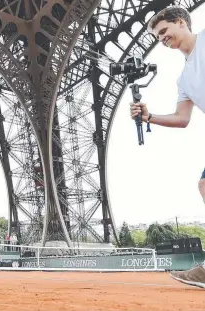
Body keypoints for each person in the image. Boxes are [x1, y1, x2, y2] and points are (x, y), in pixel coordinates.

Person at [131, 6, 205, 288]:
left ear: (181, 23)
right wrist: (149, 117)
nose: (161, 38)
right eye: (156, 35)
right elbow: (182, 119)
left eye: (164, 31)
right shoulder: (184, 79)